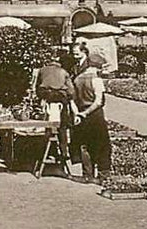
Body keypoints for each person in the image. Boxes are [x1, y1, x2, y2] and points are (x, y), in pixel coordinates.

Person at [70, 48, 111, 182]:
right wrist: (86, 113)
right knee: (102, 144)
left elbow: (72, 100)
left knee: (84, 145)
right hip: (94, 114)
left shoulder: (77, 80)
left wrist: (78, 114)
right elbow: (98, 101)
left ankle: (87, 174)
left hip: (80, 114)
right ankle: (103, 175)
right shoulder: (96, 80)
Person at [32, 58, 76, 158]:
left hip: (46, 97)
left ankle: (45, 151)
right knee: (62, 126)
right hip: (60, 99)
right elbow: (71, 90)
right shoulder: (63, 72)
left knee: (45, 124)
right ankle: (63, 150)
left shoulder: (42, 70)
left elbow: (37, 87)